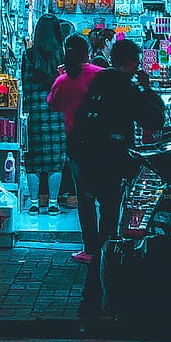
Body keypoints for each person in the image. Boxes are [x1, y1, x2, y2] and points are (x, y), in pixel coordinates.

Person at [68, 37, 166, 318]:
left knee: (105, 225)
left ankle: (96, 294)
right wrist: (148, 90)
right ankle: (98, 298)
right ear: (133, 63)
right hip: (109, 162)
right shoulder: (127, 88)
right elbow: (153, 120)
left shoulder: (98, 81)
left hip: (86, 159)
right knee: (110, 229)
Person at [46, 34, 103, 262]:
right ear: (88, 52)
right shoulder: (100, 74)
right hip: (104, 141)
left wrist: (62, 78)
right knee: (108, 197)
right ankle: (108, 245)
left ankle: (90, 249)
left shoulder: (63, 80)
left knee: (85, 198)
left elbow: (54, 104)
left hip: (78, 143)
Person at [20, 13, 68, 214]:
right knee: (55, 161)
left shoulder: (28, 56)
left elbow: (24, 82)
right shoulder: (62, 56)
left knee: (34, 161)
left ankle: (33, 203)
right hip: (56, 113)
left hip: (34, 115)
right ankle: (54, 203)